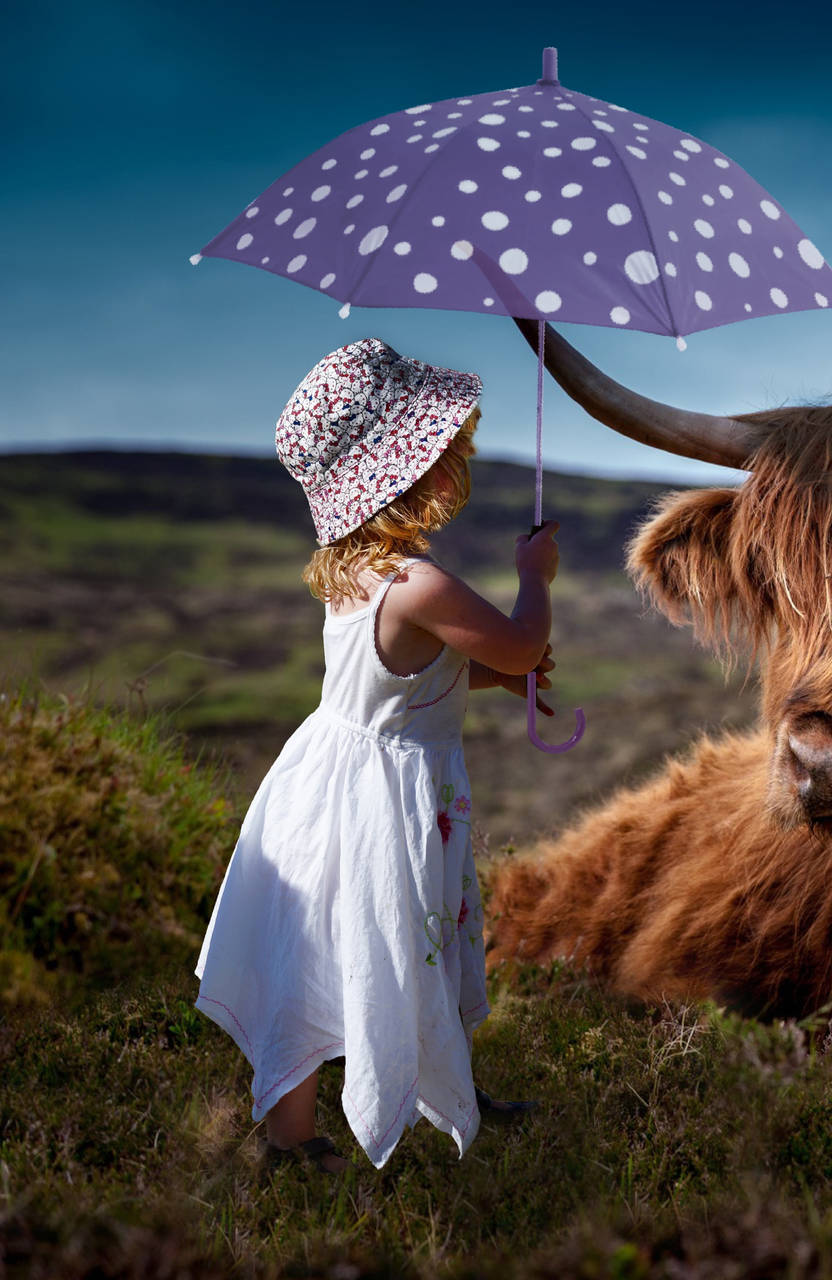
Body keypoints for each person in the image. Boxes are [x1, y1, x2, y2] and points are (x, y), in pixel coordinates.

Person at [194, 337, 560, 1174]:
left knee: (324, 951)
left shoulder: (353, 575)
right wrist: (535, 574)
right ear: (406, 471)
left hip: (329, 783)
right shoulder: (418, 584)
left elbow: (399, 677)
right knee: (407, 936)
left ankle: (310, 1135)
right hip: (389, 800)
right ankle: (428, 1086)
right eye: (437, 450)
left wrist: (494, 683)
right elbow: (520, 642)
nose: (450, 460)